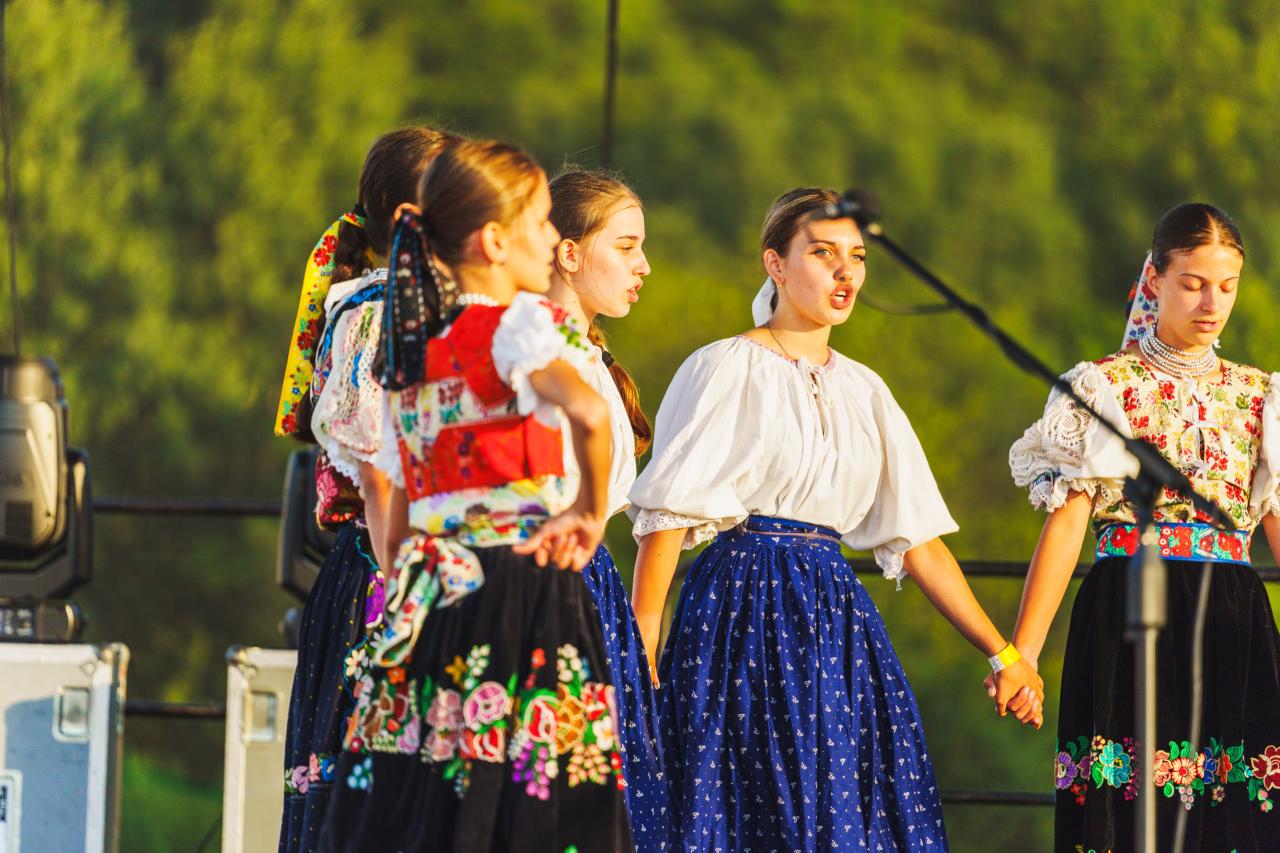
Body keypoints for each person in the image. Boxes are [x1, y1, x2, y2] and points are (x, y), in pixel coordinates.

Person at [629, 187, 1043, 852]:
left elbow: (918, 539)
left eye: (857, 256)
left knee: (843, 803)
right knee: (745, 802)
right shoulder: (725, 366)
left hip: (832, 617)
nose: (845, 271)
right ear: (776, 263)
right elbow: (667, 515)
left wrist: (1004, 653)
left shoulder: (865, 390)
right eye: (823, 253)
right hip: (740, 607)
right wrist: (643, 643)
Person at [321, 139, 632, 852]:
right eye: (541, 222)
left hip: (432, 592)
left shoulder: (410, 355)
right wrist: (586, 511)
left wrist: (412, 577)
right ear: (495, 242)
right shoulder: (515, 328)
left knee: (427, 785)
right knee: (535, 788)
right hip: (518, 583)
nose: (552, 239)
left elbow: (394, 510)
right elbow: (588, 412)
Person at [1007, 202, 1280, 852]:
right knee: (1129, 817)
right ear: (1154, 279)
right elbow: (1068, 521)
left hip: (1232, 620)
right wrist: (1023, 654)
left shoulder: (1260, 397)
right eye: (1193, 283)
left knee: (1235, 816)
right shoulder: (1102, 387)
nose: (1211, 303)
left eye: (1227, 286)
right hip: (1128, 609)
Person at [277, 127, 458, 853]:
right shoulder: (377, 316)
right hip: (390, 573)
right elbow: (381, 475)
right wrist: (411, 592)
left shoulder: (440, 310)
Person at [546, 168, 668, 850]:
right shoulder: (532, 351)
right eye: (625, 247)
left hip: (595, 587)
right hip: (547, 583)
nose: (643, 265)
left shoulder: (591, 358)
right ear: (568, 252)